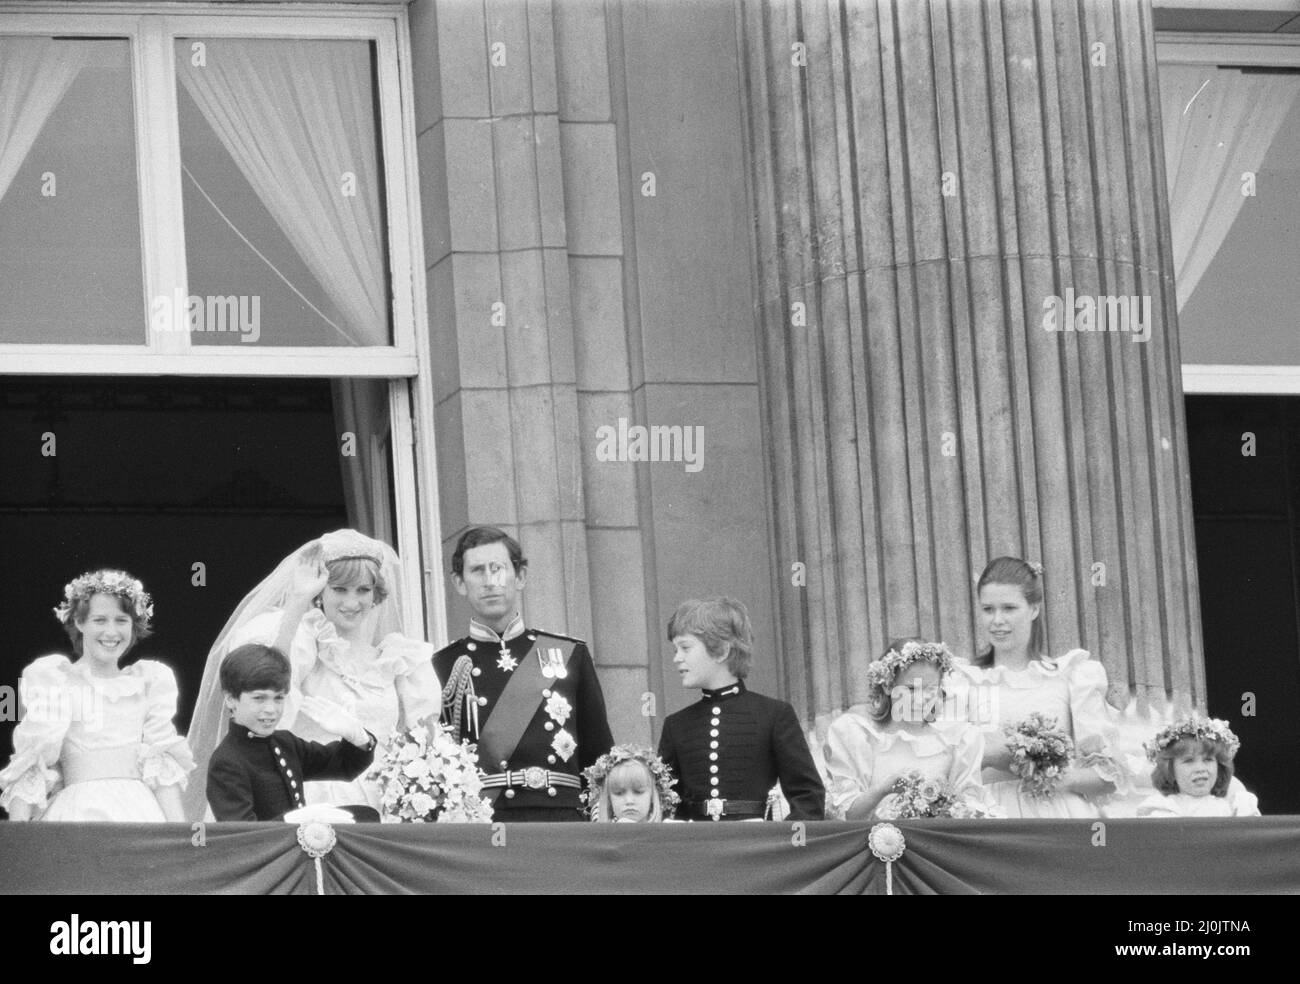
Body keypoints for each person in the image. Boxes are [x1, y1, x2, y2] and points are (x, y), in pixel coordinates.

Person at [187, 529, 438, 820]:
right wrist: (297, 601)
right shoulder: (303, 641)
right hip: (314, 797)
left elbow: (424, 740)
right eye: (339, 589)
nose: (352, 602)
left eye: (362, 590)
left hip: (387, 799)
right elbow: (269, 679)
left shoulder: (401, 658)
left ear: (376, 594)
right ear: (320, 592)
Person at [435, 526, 613, 821]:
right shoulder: (444, 665)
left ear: (520, 577)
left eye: (499, 569)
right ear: (459, 583)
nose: (490, 581)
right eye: (478, 571)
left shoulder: (570, 655)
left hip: (562, 817)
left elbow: (600, 756)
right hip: (485, 820)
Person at [0, 570, 193, 821]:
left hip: (138, 813)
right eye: (99, 620)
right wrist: (19, 840)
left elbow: (162, 767)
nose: (111, 632)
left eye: (121, 620)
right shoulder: (55, 681)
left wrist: (181, 838)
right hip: (78, 814)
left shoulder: (149, 682)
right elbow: (32, 763)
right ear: (80, 622)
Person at [958, 557, 1130, 818]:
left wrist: (1056, 776)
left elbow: (1108, 773)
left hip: (1057, 812)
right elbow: (942, 763)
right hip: (990, 815)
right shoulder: (964, 681)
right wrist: (988, 755)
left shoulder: (1071, 677)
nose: (997, 620)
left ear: (1034, 610)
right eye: (988, 609)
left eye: (1009, 608)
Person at [658, 598, 825, 821]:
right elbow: (665, 802)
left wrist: (780, 845)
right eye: (675, 649)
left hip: (755, 847)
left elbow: (808, 796)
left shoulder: (774, 715)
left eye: (685, 648)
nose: (677, 658)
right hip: (695, 848)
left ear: (721, 650)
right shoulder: (676, 725)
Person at [206, 644, 377, 821]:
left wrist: (357, 736)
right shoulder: (227, 762)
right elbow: (240, 837)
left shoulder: (285, 742)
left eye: (278, 698)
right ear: (231, 699)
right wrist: (292, 822)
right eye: (259, 698)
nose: (271, 709)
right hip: (273, 848)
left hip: (299, 846)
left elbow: (344, 767)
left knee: (367, 817)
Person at [823, 638, 986, 820]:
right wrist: (884, 788)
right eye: (911, 688)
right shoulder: (857, 735)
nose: (921, 698)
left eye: (930, 688)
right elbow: (844, 816)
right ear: (888, 686)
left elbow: (969, 811)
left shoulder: (956, 740)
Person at [1137, 714, 1260, 818]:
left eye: (1208, 759)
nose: (1200, 768)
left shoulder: (1231, 808)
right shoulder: (1161, 809)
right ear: (1170, 769)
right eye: (1189, 761)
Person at [583, 744, 679, 822]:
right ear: (609, 799)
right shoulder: (600, 840)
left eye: (638, 792)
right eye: (619, 793)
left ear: (654, 795)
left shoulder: (669, 836)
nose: (629, 801)